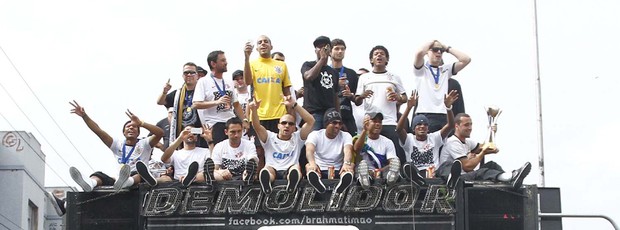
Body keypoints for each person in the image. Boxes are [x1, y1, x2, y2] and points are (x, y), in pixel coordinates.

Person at [68, 101, 163, 192]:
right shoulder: (117, 144)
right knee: (99, 175)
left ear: (138, 133)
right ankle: (90, 183)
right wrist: (84, 116)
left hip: (137, 180)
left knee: (141, 175)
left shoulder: (144, 143)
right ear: (123, 132)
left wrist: (141, 123)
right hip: (118, 181)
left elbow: (160, 133)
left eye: (134, 127)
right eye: (128, 127)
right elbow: (98, 131)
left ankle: (127, 181)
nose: (131, 128)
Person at [438, 113, 532, 190]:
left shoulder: (467, 142)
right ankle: (511, 177)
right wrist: (482, 153)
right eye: (466, 125)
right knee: (482, 172)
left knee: (492, 165)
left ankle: (511, 180)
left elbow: (487, 146)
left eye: (471, 124)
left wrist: (492, 133)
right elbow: (467, 166)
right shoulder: (453, 142)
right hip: (458, 180)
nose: (470, 128)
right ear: (457, 126)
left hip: (466, 175)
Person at [249, 95, 315, 194]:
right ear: (278, 125)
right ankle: (266, 183)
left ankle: (292, 183)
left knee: (295, 170)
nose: (287, 126)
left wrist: (294, 105)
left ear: (294, 128)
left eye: (291, 124)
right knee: (267, 170)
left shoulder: (297, 137)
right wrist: (254, 110)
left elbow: (311, 121)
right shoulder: (269, 137)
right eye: (284, 123)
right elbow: (256, 126)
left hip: (290, 169)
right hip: (272, 169)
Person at [354, 45, 408, 164]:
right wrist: (363, 95)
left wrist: (397, 97)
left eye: (382, 54)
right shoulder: (364, 77)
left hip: (389, 121)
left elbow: (405, 98)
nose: (379, 55)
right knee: (369, 156)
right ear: (371, 60)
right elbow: (357, 101)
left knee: (393, 157)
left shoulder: (394, 77)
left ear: (387, 59)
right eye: (376, 54)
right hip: (371, 121)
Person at [396, 90, 458, 186]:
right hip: (416, 173)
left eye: (425, 124)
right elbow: (399, 129)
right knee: (407, 166)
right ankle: (417, 179)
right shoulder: (409, 139)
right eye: (418, 124)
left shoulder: (434, 138)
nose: (422, 126)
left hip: (434, 173)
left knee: (447, 165)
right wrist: (408, 108)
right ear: (413, 128)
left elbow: (450, 126)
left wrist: (448, 108)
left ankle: (451, 180)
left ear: (428, 128)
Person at [413, 40, 471, 133]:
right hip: (426, 114)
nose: (439, 52)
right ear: (427, 52)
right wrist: (432, 42)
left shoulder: (445, 70)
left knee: (446, 146)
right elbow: (419, 53)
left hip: (444, 115)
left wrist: (446, 48)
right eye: (435, 50)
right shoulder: (421, 70)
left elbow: (466, 59)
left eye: (441, 50)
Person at [193, 50, 248, 146]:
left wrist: (244, 120)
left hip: (231, 122)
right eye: (222, 60)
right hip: (215, 124)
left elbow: (236, 104)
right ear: (213, 63)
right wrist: (217, 102)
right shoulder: (203, 82)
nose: (226, 63)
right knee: (218, 154)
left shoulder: (228, 82)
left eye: (225, 60)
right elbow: (196, 104)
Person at [138, 126, 213, 187]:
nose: (190, 134)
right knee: (166, 179)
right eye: (187, 132)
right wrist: (180, 138)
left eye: (194, 133)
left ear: (197, 138)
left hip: (198, 180)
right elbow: (164, 159)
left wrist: (210, 141)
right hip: (178, 182)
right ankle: (152, 180)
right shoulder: (176, 153)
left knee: (204, 173)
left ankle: (190, 178)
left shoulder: (205, 151)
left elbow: (213, 162)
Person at [157, 62, 206, 148]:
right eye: (186, 73)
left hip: (200, 135)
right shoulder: (178, 93)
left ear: (197, 76)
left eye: (192, 72)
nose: (189, 75)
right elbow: (160, 102)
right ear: (182, 76)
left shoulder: (204, 92)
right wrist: (164, 92)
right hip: (182, 136)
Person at [305, 108, 354, 194]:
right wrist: (312, 163)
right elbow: (309, 150)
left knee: (350, 166)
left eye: (340, 123)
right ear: (326, 124)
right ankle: (317, 184)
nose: (337, 126)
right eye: (334, 123)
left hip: (339, 169)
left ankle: (342, 185)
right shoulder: (315, 134)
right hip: (319, 168)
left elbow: (348, 151)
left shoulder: (346, 135)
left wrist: (346, 163)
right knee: (308, 166)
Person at [301, 36, 340, 130]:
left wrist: (339, 115)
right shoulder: (308, 65)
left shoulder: (334, 72)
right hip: (314, 114)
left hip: (330, 114)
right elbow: (308, 76)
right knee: (313, 141)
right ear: (315, 50)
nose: (322, 49)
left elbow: (336, 96)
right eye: (319, 47)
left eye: (325, 47)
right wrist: (322, 59)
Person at [353, 112, 400, 189]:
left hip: (381, 173)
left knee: (393, 166)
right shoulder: (359, 138)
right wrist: (365, 130)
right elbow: (356, 149)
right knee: (363, 170)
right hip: (363, 173)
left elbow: (392, 162)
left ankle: (390, 180)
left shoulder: (387, 142)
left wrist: (378, 171)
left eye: (380, 122)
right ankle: (365, 179)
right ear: (367, 123)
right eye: (374, 121)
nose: (378, 124)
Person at [211, 117, 258, 184]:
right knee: (214, 175)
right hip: (224, 179)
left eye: (239, 131)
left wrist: (248, 170)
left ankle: (248, 177)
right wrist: (220, 172)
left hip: (243, 177)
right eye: (233, 132)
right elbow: (214, 168)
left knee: (250, 174)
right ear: (226, 132)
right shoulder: (219, 146)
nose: (236, 135)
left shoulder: (249, 144)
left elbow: (253, 160)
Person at [330, 38, 359, 136]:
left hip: (346, 114)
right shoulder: (325, 71)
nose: (340, 51)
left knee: (353, 144)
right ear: (330, 51)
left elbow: (358, 101)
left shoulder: (351, 73)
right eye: (337, 49)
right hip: (329, 114)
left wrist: (351, 95)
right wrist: (336, 84)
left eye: (342, 49)